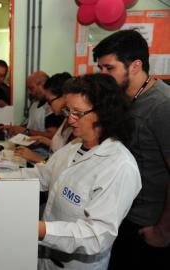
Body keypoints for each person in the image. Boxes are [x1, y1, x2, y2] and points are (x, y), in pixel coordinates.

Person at [0, 74, 142, 270]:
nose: (69, 120)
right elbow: (42, 176)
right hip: (46, 255)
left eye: (77, 113)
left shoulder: (120, 166)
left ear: (103, 113)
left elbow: (97, 235)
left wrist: (38, 229)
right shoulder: (74, 146)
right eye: (68, 110)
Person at [93, 29, 170, 268]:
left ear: (135, 66)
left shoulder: (162, 106)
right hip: (122, 215)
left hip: (147, 224)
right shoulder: (126, 99)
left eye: (110, 68)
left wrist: (163, 231)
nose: (103, 75)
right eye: (100, 69)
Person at [15, 72, 73, 164]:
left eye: (50, 102)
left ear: (64, 97)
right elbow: (60, 147)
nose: (48, 107)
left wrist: (37, 159)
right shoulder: (66, 120)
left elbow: (63, 168)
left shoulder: (75, 126)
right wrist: (42, 139)